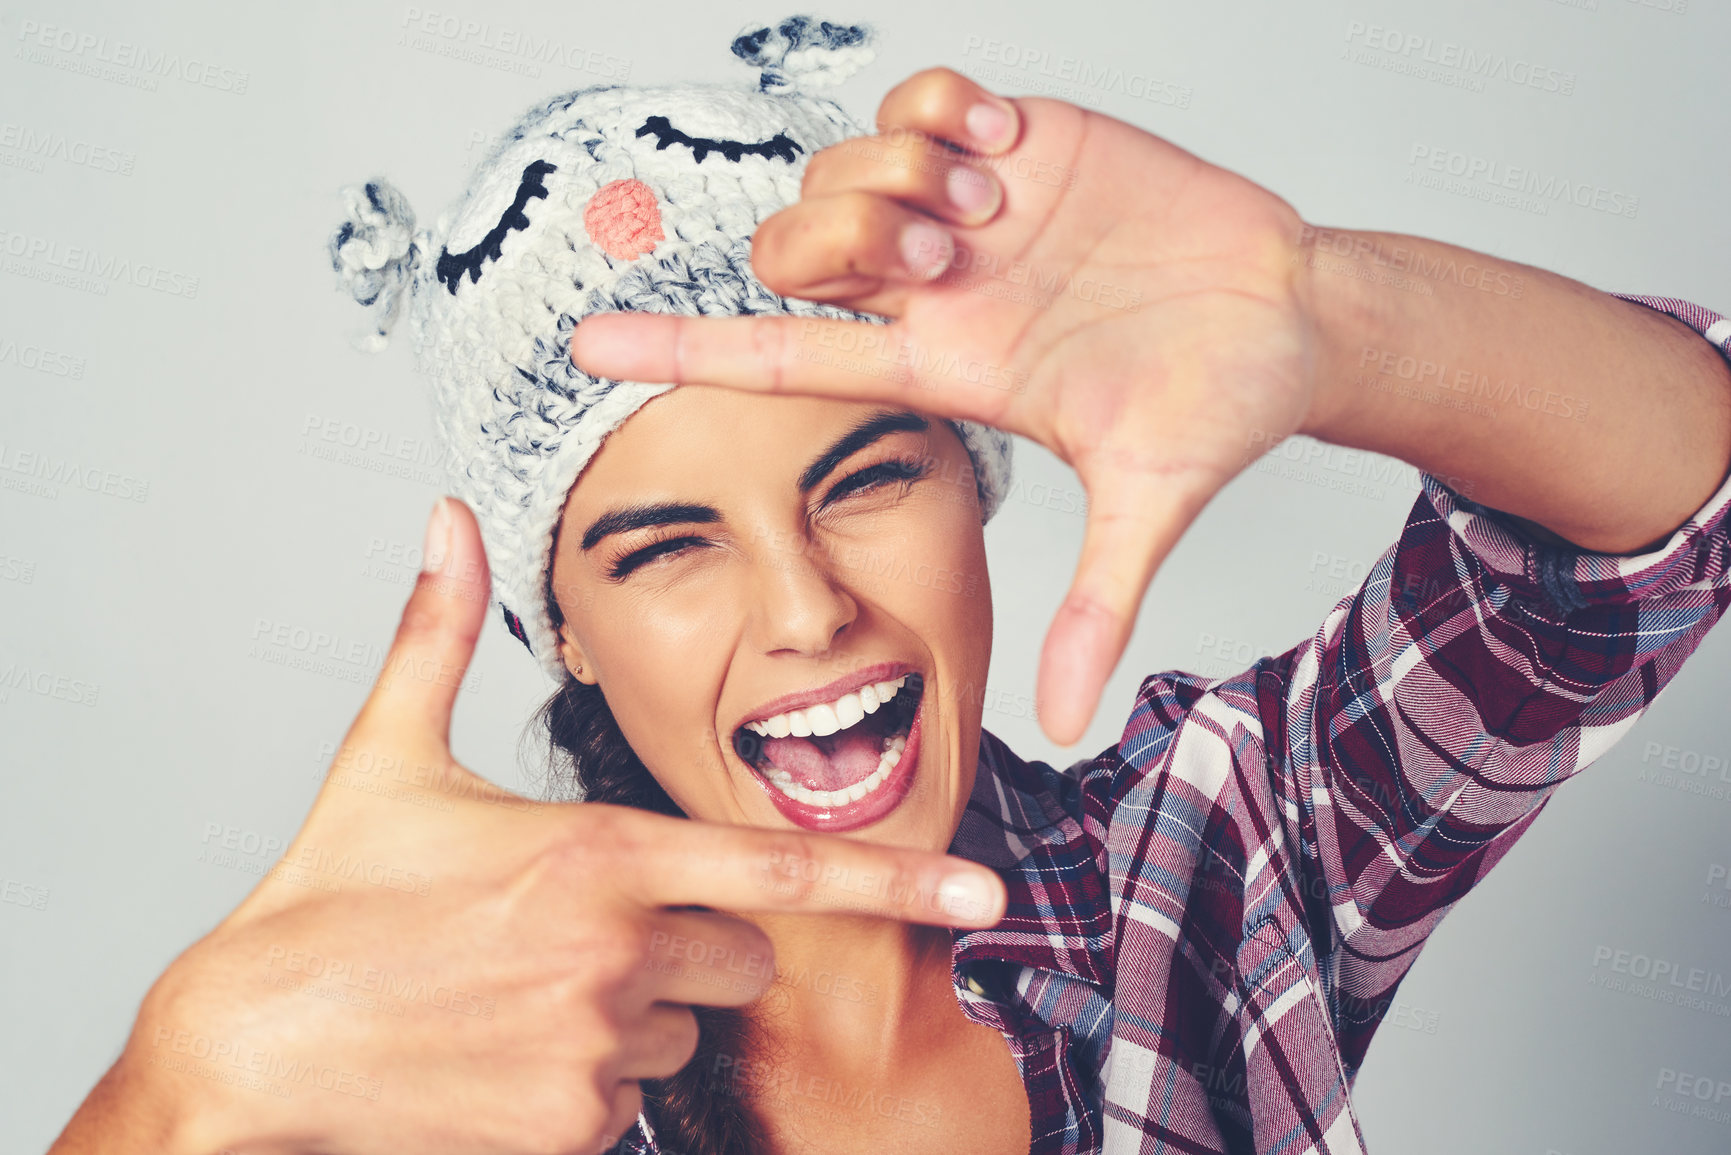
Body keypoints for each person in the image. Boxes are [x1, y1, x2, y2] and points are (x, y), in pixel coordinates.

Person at [47, 16, 1731, 1155]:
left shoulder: (1207, 868)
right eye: (667, 545)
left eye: (863, 477)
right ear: (563, 628)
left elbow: (1638, 535)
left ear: (975, 483)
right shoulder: (450, 1078)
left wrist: (1320, 311)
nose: (804, 609)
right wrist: (177, 1094)